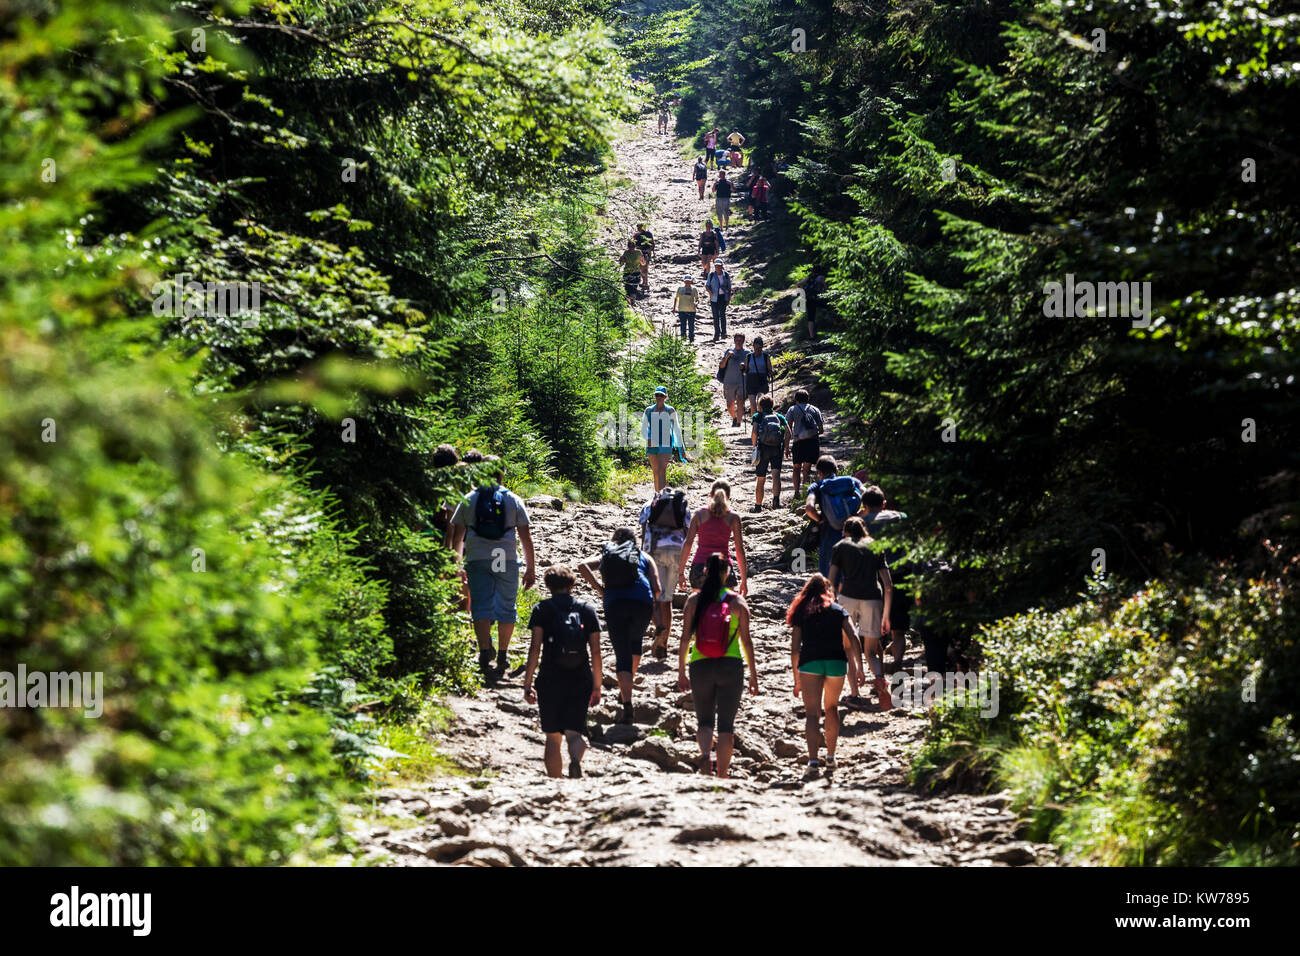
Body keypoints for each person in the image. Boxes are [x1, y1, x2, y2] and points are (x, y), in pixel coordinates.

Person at [450, 457, 537, 679]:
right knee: (506, 606)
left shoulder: (468, 498)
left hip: (478, 558)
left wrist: (457, 566)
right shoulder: (513, 499)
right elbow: (525, 537)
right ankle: (503, 654)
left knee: (481, 605)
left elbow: (458, 538)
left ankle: (483, 652)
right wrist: (530, 568)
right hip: (505, 559)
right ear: (502, 474)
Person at [677, 552, 758, 778]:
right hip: (730, 665)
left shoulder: (694, 601)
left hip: (700, 664)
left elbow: (684, 638)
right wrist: (753, 675)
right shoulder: (737, 602)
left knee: (704, 720)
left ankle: (705, 757)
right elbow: (747, 641)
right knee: (726, 726)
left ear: (705, 571)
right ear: (727, 573)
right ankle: (722, 774)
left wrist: (681, 671)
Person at [522, 565, 602, 778]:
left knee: (553, 737)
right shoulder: (586, 609)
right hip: (581, 676)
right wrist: (597, 684)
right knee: (574, 732)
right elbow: (595, 651)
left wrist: (527, 683)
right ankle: (575, 759)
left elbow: (535, 648)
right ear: (572, 585)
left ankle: (555, 783)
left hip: (550, 677)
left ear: (548, 586)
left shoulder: (542, 610)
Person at [578, 527, 661, 724]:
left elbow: (582, 566)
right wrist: (650, 603)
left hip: (615, 603)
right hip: (642, 603)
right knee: (635, 642)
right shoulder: (644, 556)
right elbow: (657, 588)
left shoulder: (608, 554)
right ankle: (627, 690)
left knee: (622, 653)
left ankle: (627, 703)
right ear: (634, 541)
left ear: (614, 540)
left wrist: (601, 590)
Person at [787, 573, 865, 777]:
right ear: (828, 591)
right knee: (831, 708)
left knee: (812, 714)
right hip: (836, 662)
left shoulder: (801, 611)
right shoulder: (838, 610)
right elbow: (853, 636)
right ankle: (831, 757)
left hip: (810, 663)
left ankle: (813, 761)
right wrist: (859, 666)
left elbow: (795, 648)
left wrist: (797, 678)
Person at [829, 516, 893, 709]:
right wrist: (886, 614)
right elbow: (888, 585)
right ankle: (880, 679)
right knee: (871, 652)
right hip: (873, 598)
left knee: (847, 648)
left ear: (846, 532)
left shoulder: (841, 546)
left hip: (848, 597)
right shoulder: (875, 546)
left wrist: (832, 606)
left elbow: (831, 581)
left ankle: (854, 694)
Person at [859, 484, 909, 674]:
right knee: (899, 629)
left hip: (874, 581)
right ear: (884, 503)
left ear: (864, 505)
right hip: (902, 576)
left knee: (873, 629)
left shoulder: (862, 523)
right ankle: (898, 663)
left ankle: (878, 670)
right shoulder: (901, 518)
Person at [639, 486, 693, 659]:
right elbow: (688, 531)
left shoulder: (649, 505)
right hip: (676, 551)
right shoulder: (683, 507)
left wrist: (643, 555)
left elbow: (642, 530)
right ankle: (664, 642)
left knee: (653, 597)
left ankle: (659, 628)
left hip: (653, 551)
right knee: (667, 600)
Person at [677, 479, 748, 596]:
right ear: (728, 497)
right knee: (729, 610)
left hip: (699, 568)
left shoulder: (699, 514)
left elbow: (688, 543)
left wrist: (680, 573)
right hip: (724, 569)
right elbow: (739, 549)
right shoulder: (733, 518)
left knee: (700, 608)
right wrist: (744, 581)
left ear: (710, 495)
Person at [803, 455, 865, 577]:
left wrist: (820, 519)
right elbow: (868, 498)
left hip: (829, 534)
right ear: (836, 470)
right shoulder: (852, 481)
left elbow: (809, 508)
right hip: (854, 534)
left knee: (828, 574)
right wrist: (858, 516)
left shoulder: (817, 487)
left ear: (819, 472)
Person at [750, 394, 790, 511]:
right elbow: (789, 432)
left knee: (761, 478)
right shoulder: (779, 416)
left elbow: (754, 432)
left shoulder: (758, 416)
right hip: (777, 448)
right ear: (772, 405)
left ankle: (758, 506)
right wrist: (786, 447)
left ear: (760, 406)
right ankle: (776, 501)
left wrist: (754, 447)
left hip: (762, 448)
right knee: (776, 475)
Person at [642, 386, 684, 492]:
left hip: (666, 443)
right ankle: (657, 496)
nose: (659, 397)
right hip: (652, 444)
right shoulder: (648, 410)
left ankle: (661, 497)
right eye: (657, 395)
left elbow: (676, 429)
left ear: (665, 397)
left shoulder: (670, 410)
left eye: (661, 395)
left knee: (662, 470)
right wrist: (648, 438)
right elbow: (643, 428)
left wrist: (681, 448)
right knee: (655, 472)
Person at [787, 388, 824, 499]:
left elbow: (788, 429)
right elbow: (821, 430)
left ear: (796, 400)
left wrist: (786, 447)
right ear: (808, 399)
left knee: (796, 467)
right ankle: (806, 494)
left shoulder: (792, 409)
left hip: (798, 442)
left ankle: (796, 492)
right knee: (806, 469)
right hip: (812, 442)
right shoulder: (815, 409)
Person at [717, 333, 748, 428]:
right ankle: (734, 418)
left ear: (743, 341)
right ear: (734, 341)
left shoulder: (747, 353)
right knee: (730, 405)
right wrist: (727, 357)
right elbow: (721, 365)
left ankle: (738, 422)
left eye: (740, 340)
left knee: (740, 401)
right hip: (728, 381)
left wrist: (744, 367)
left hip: (741, 381)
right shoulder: (728, 351)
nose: (738, 342)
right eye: (736, 340)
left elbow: (749, 369)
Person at [744, 336, 774, 418]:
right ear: (753, 346)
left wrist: (771, 372)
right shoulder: (749, 356)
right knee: (753, 405)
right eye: (756, 348)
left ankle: (762, 421)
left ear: (762, 347)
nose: (757, 350)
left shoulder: (765, 357)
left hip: (762, 382)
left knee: (760, 403)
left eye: (759, 348)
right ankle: (755, 423)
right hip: (751, 382)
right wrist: (742, 369)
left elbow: (769, 369)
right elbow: (745, 372)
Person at [705, 260, 732, 340]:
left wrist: (728, 299)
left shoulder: (726, 275)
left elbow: (729, 288)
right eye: (716, 266)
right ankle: (717, 334)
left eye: (719, 265)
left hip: (723, 297)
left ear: (722, 266)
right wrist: (710, 292)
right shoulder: (712, 274)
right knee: (715, 316)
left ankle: (724, 333)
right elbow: (707, 285)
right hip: (714, 298)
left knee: (722, 315)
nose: (718, 267)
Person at [670, 275, 700, 344]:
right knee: (683, 325)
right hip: (682, 310)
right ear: (684, 281)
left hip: (691, 310)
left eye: (688, 281)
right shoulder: (680, 289)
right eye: (686, 281)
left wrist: (696, 303)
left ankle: (691, 340)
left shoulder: (694, 289)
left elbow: (697, 299)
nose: (687, 282)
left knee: (691, 325)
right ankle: (683, 340)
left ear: (691, 281)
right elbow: (676, 298)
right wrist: (674, 308)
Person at [799, 270, 826, 340]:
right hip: (819, 299)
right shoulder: (821, 277)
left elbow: (798, 284)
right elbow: (826, 288)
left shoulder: (809, 278)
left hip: (809, 299)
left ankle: (812, 336)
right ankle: (833, 326)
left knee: (811, 318)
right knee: (829, 308)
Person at [632, 222, 655, 292]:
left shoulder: (648, 234)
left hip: (646, 252)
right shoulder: (636, 235)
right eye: (638, 227)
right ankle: (644, 282)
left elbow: (652, 243)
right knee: (640, 268)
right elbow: (634, 244)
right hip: (639, 253)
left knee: (645, 267)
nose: (639, 228)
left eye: (640, 227)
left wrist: (650, 249)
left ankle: (645, 282)